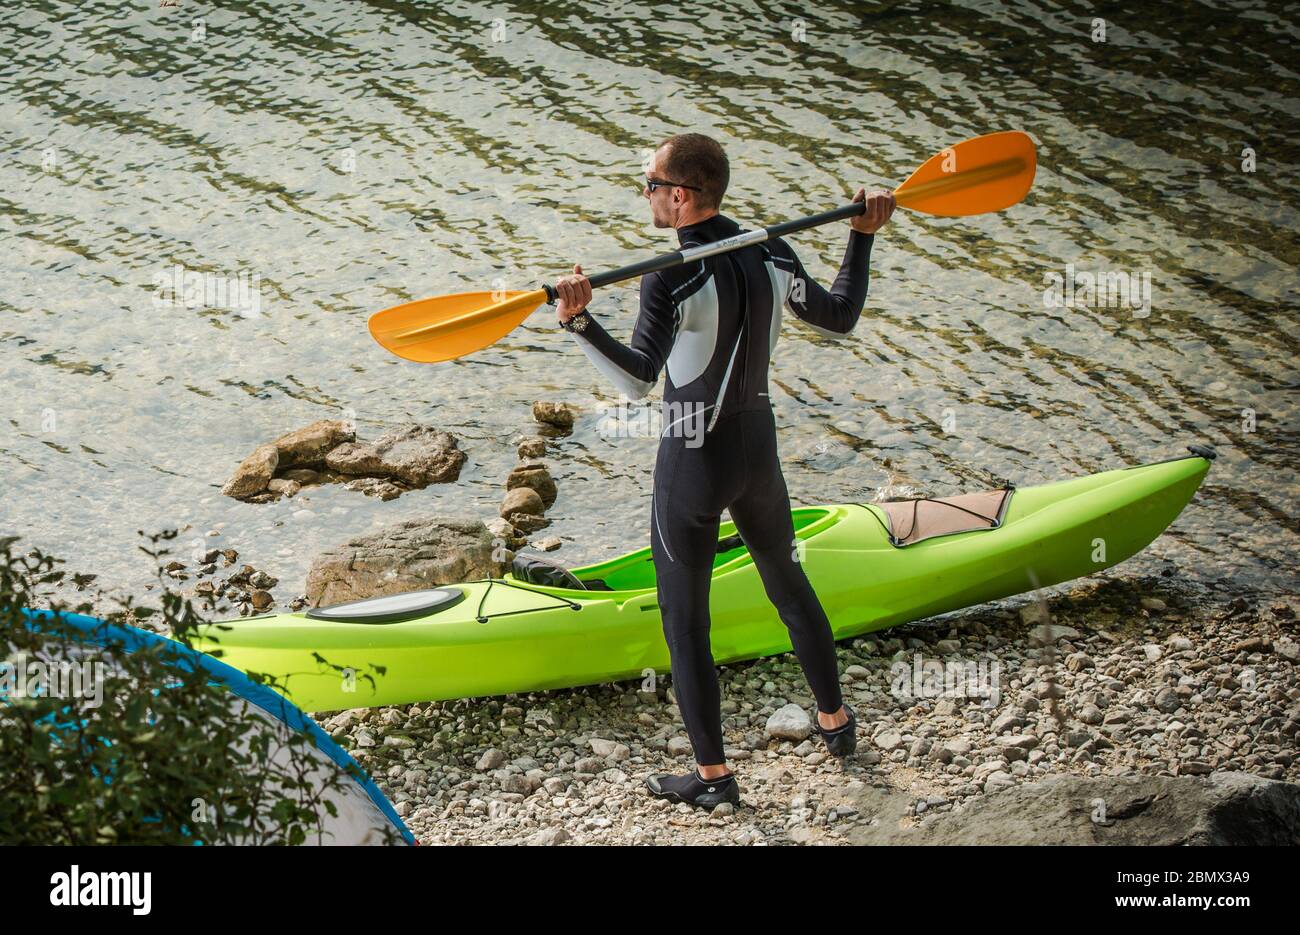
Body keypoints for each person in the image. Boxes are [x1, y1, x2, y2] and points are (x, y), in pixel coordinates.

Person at [553, 133, 895, 810]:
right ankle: (835, 721)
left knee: (686, 623)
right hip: (757, 449)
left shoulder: (671, 274)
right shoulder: (771, 247)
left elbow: (636, 381)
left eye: (648, 183)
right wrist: (861, 237)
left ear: (679, 196)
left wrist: (579, 320)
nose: (645, 193)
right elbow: (841, 317)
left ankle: (713, 777)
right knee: (788, 586)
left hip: (694, 457)